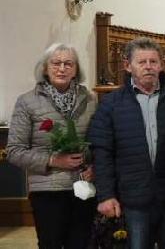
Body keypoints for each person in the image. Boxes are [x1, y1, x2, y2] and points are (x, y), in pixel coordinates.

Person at [88, 37, 165, 249]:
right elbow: (102, 153)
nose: (148, 67)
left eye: (153, 62)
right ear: (128, 66)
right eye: (141, 62)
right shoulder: (111, 104)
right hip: (133, 198)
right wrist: (106, 195)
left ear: (161, 65)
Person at [6, 43, 97, 249]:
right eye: (56, 63)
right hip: (48, 189)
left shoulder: (90, 99)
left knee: (82, 244)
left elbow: (98, 142)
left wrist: (94, 165)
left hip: (83, 187)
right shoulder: (27, 102)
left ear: (76, 70)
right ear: (45, 68)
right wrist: (52, 160)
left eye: (68, 63)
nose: (62, 68)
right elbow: (14, 151)